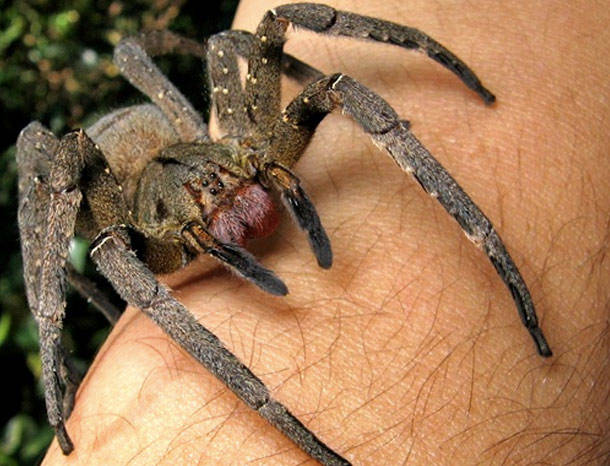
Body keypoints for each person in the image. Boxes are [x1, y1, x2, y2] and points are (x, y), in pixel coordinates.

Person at [44, 1, 609, 463]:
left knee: (267, 37)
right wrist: (53, 351)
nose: (220, 193)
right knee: (68, 177)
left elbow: (250, 43)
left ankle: (499, 261)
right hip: (128, 195)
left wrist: (418, 47)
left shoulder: (249, 135)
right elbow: (62, 201)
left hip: (189, 133)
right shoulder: (130, 236)